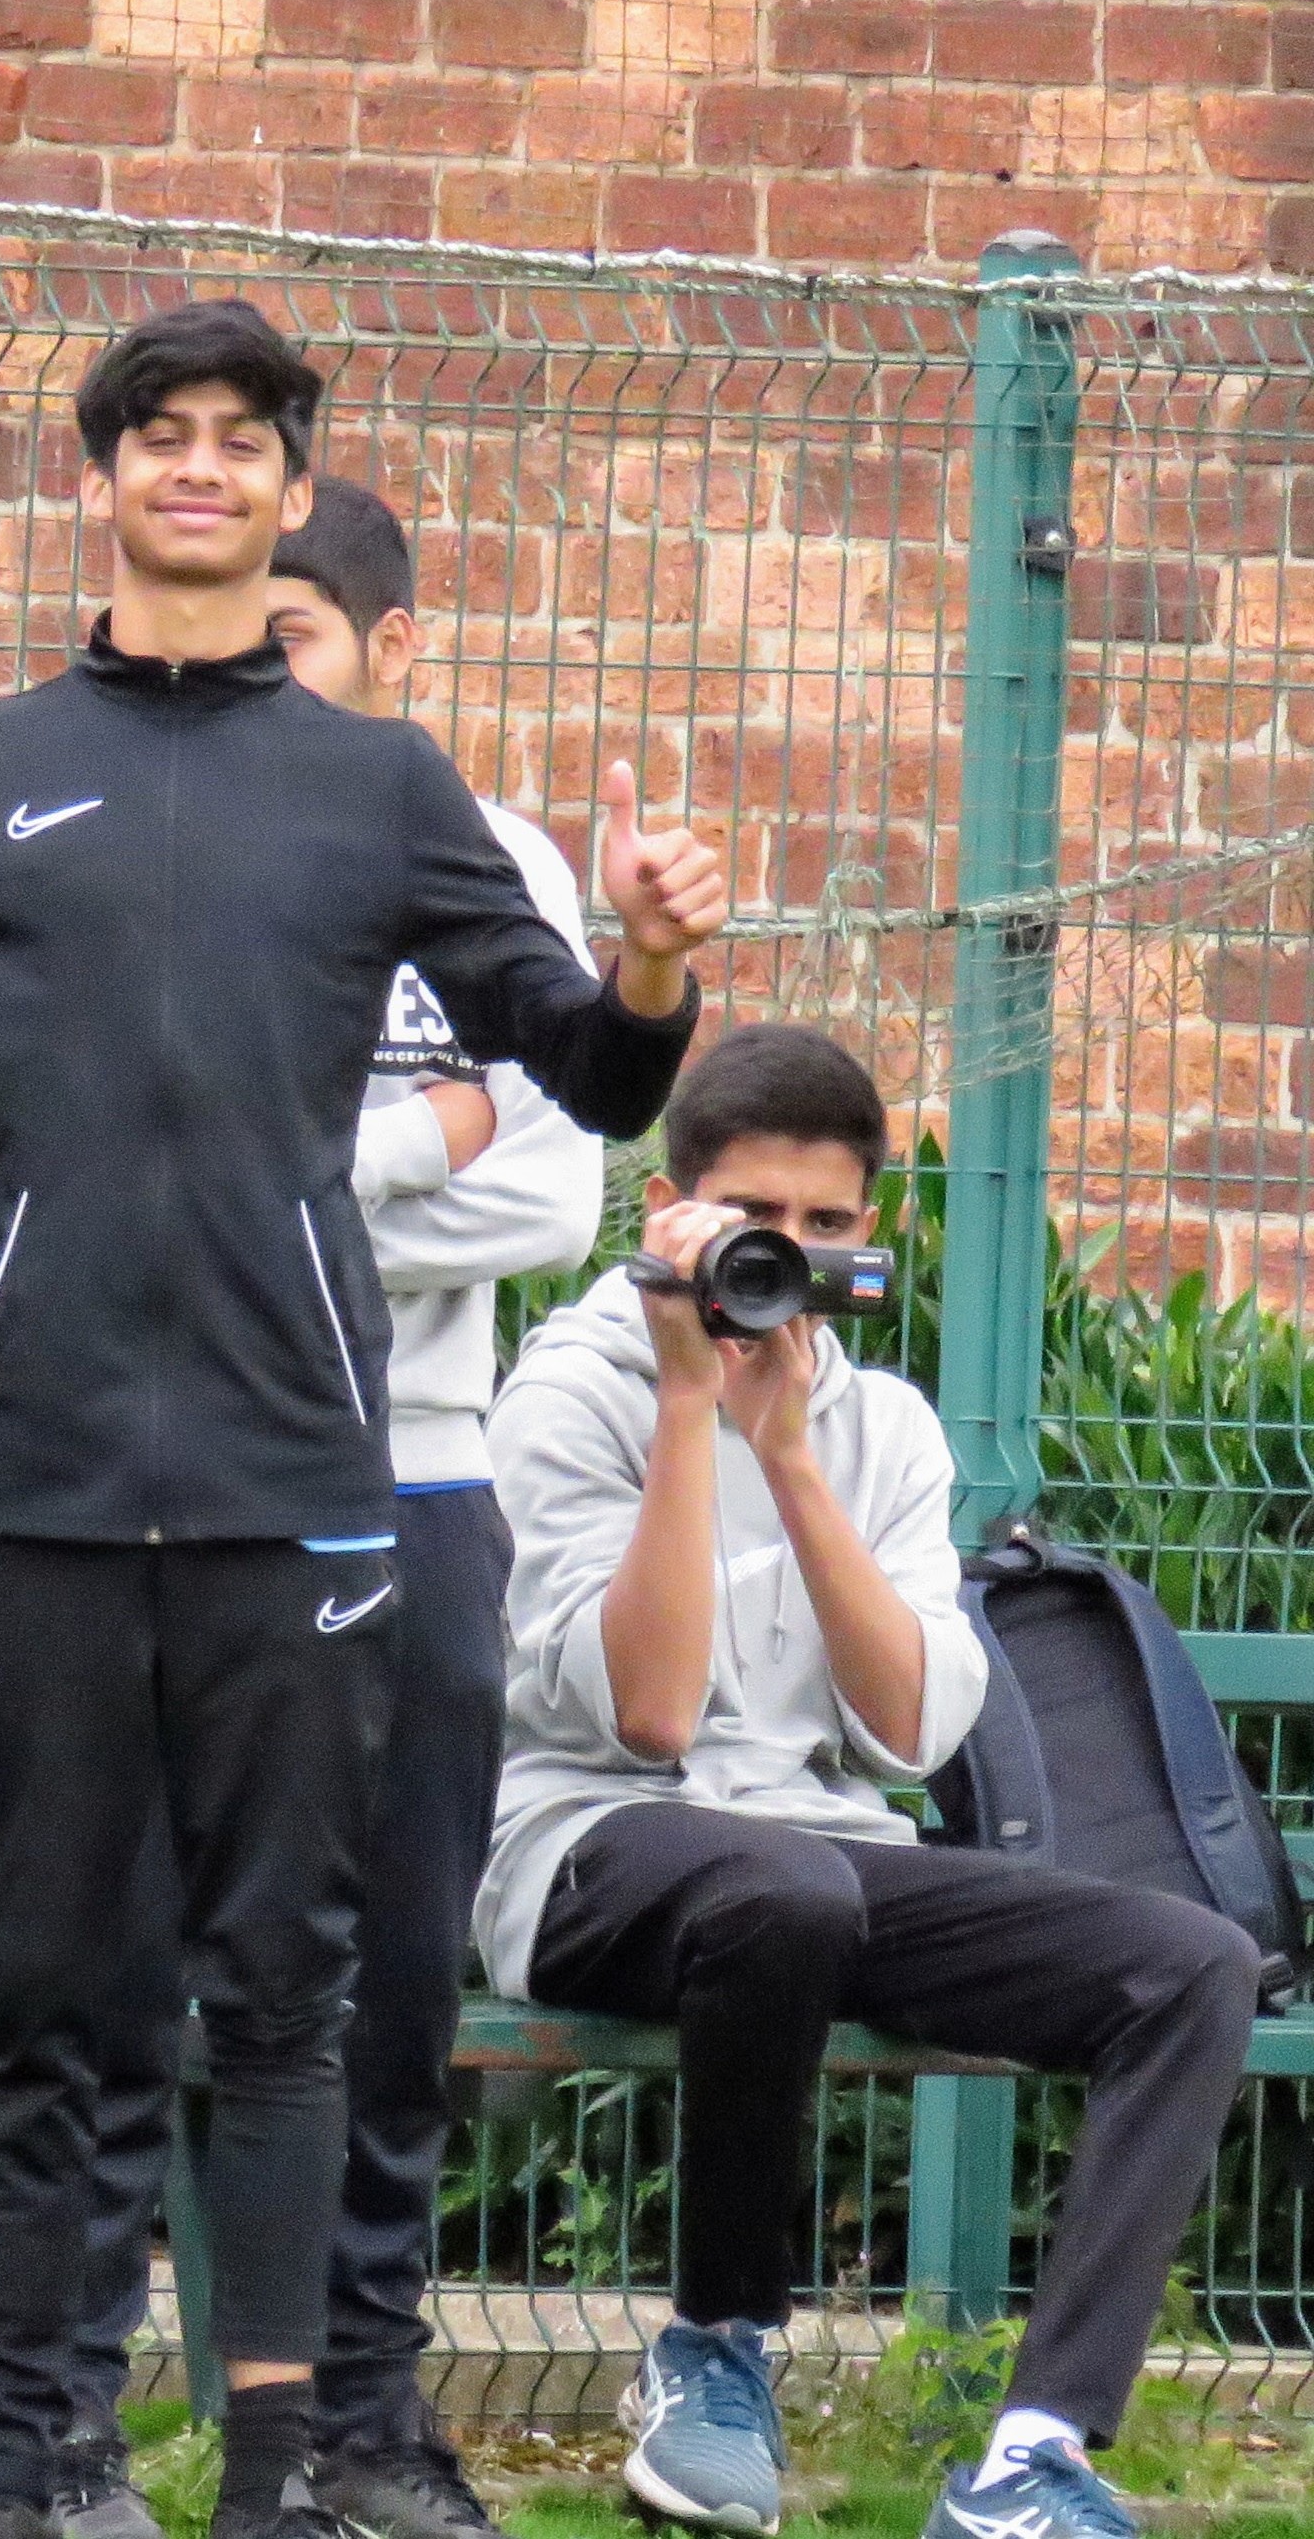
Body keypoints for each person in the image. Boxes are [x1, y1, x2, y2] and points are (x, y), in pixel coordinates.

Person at [0, 299, 725, 2539]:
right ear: (95, 475)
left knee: (285, 2007)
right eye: (159, 436)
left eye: (242, 442)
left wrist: (642, 966)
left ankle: (273, 2475)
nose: (199, 470)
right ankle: (9, 2463)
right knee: (44, 2002)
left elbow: (589, 1076)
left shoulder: (382, 790)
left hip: (294, 1505)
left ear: (288, 491)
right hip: (34, 1492)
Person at [480, 1024, 1261, 2539]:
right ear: (674, 1211)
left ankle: (1035, 2453)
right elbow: (644, 1716)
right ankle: (716, 2350)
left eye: (829, 1223)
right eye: (755, 1218)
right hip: (593, 1845)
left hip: (824, 1856)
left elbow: (905, 1730)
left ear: (868, 1231)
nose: (793, 1251)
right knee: (785, 1887)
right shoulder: (571, 1387)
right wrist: (691, 1407)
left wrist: (790, 1456)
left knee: (1190, 1967)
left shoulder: (882, 1423)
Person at [63, 474, 610, 2539]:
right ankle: (67, 2424)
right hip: (155, 1485)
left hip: (419, 1487)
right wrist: (411, 1140)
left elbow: (560, 1187)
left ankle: (369, 2426)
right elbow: (114, 1175)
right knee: (115, 1968)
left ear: (391, 645)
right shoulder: (138, 830)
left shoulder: (494, 865)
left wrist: (311, 1170)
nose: (245, 665)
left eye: (289, 633)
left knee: (385, 1989)